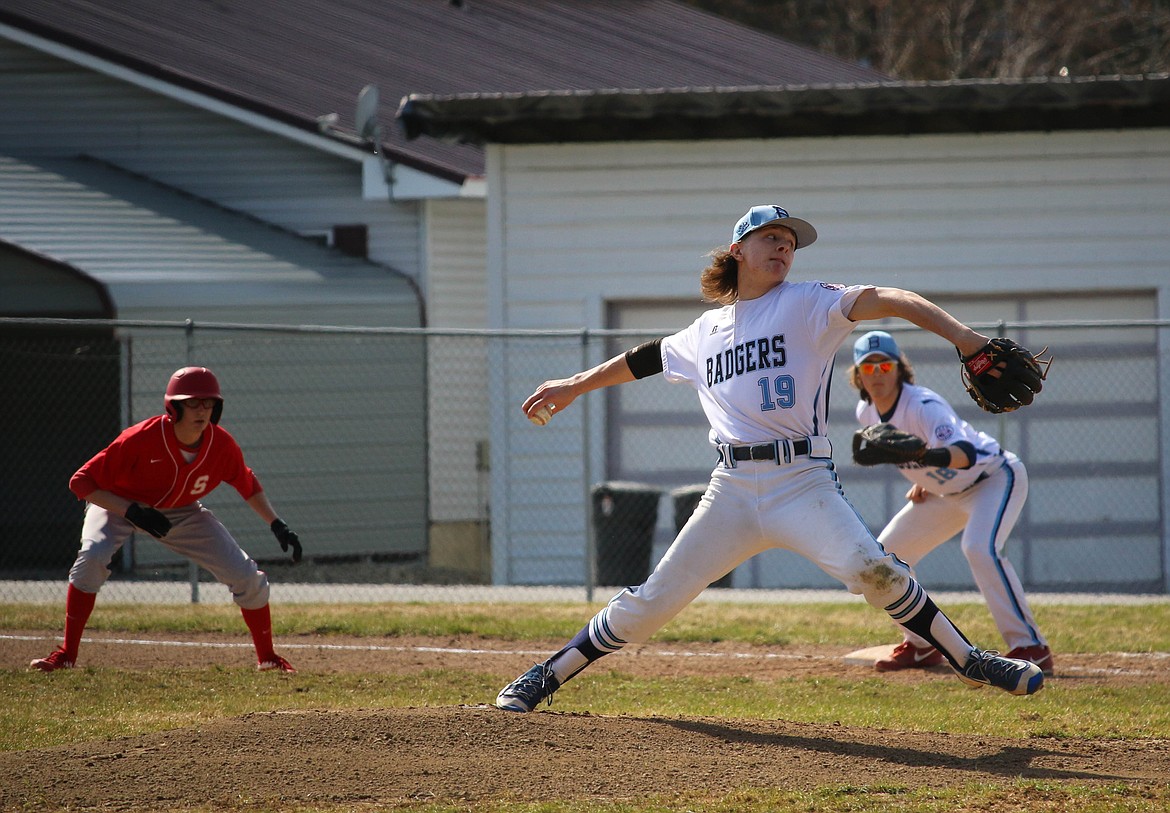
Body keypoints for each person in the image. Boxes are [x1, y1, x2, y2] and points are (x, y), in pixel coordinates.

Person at [496, 204, 1045, 712]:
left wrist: (968, 340)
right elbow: (642, 358)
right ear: (738, 250)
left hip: (802, 483)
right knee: (652, 602)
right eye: (771, 238)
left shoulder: (809, 302)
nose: (783, 247)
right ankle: (547, 674)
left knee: (875, 572)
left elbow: (890, 298)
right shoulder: (703, 331)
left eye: (789, 241)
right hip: (731, 489)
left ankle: (970, 660)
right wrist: (574, 384)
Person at [30, 366, 303, 673]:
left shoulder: (220, 444)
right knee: (92, 558)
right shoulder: (141, 438)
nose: (202, 410)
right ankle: (66, 654)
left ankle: (268, 658)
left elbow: (246, 483)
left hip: (181, 510)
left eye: (208, 403)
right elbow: (80, 482)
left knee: (246, 575)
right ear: (174, 407)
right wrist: (131, 511)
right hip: (118, 504)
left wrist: (277, 524)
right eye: (192, 402)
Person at [850, 330, 1053, 675]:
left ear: (900, 369)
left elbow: (966, 454)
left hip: (993, 478)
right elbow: (919, 463)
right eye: (868, 369)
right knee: (881, 559)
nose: (877, 374)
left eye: (885, 366)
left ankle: (1031, 646)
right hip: (944, 493)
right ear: (857, 376)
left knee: (979, 548)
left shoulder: (923, 405)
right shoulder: (865, 413)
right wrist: (923, 479)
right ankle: (920, 646)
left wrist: (925, 457)